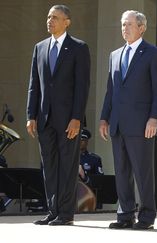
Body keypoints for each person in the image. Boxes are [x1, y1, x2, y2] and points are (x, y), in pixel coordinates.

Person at [100, 10, 157, 230]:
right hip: (118, 123)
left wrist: (154, 118)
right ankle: (125, 215)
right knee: (122, 173)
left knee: (143, 173)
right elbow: (111, 91)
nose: (124, 28)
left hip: (142, 124)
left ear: (141, 27)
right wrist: (104, 118)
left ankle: (147, 217)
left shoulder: (153, 53)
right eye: (122, 24)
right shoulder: (115, 55)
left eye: (129, 24)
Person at [26, 4, 90, 226]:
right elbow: (34, 85)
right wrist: (30, 115)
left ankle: (66, 213)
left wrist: (77, 118)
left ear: (67, 22)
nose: (50, 20)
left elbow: (82, 87)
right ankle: (53, 211)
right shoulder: (40, 47)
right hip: (44, 119)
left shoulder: (79, 48)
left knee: (67, 166)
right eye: (48, 17)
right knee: (50, 166)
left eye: (55, 17)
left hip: (68, 120)